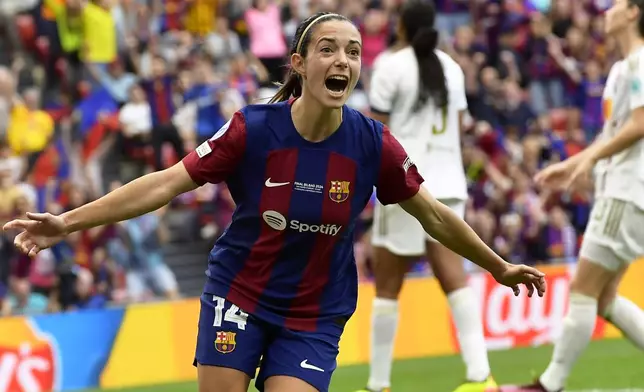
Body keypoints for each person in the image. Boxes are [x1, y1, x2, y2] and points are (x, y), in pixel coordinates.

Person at [3, 12, 546, 392]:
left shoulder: (372, 143)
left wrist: (497, 266)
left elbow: (433, 214)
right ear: (299, 64)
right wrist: (68, 222)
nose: (344, 61)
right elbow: (165, 182)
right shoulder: (251, 130)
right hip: (238, 293)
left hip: (313, 314)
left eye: (353, 52)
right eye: (328, 49)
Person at [502, 1, 644, 391]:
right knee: (605, 299)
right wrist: (575, 164)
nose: (608, 10)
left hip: (626, 193)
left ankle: (549, 385)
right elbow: (613, 132)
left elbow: (640, 125)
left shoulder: (641, 63)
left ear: (633, 13)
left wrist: (590, 161)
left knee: (583, 289)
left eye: (618, 5)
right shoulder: (621, 68)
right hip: (620, 190)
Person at [358, 2, 496, 392]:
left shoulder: (390, 64)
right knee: (455, 278)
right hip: (449, 182)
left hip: (406, 182)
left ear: (401, 26)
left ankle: (379, 384)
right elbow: (458, 126)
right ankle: (480, 376)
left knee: (387, 285)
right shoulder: (451, 68)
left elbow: (378, 131)